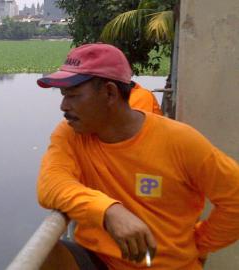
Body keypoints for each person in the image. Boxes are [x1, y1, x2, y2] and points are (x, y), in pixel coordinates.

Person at [35, 43, 239, 269]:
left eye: (73, 95)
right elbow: (51, 184)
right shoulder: (71, 134)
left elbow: (235, 198)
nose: (64, 106)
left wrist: (199, 245)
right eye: (64, 96)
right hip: (100, 260)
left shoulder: (180, 141)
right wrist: (108, 211)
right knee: (43, 256)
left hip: (166, 265)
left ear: (110, 92)